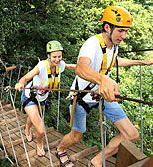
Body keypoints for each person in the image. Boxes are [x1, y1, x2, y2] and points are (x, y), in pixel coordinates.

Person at [56, 6, 153, 167]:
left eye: (126, 31)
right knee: (76, 137)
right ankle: (60, 150)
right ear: (107, 27)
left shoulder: (114, 45)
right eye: (121, 31)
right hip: (81, 97)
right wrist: (103, 80)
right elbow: (81, 67)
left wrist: (143, 62)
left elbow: (113, 61)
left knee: (131, 134)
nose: (124, 36)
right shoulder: (92, 44)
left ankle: (96, 161)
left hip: (101, 94)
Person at [15, 41, 75, 157]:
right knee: (41, 129)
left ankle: (27, 128)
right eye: (54, 57)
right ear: (48, 56)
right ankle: (39, 143)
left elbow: (71, 66)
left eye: (59, 56)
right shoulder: (41, 66)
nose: (57, 59)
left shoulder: (60, 65)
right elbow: (26, 77)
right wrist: (20, 83)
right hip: (30, 97)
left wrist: (88, 67)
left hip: (42, 98)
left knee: (34, 117)